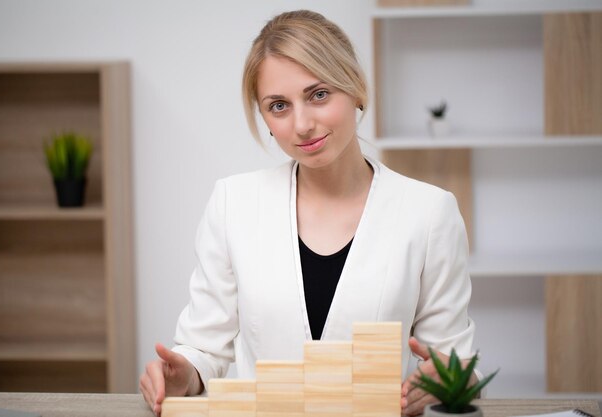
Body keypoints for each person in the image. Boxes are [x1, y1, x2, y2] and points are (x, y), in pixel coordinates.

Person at [140, 9, 478, 417]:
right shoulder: (233, 203)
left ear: (355, 88)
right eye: (278, 106)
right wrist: (181, 375)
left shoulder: (428, 213)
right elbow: (203, 349)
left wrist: (444, 381)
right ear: (264, 117)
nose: (302, 124)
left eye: (318, 94)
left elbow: (455, 366)